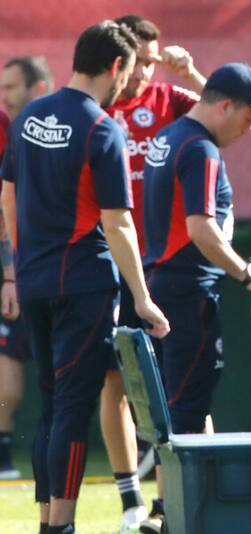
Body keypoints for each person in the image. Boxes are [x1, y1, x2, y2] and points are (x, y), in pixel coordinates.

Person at [0, 20, 170, 534]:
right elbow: (117, 222)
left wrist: (14, 268)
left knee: (53, 404)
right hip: (84, 284)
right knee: (73, 406)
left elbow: (6, 194)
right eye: (130, 70)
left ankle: (49, 521)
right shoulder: (102, 128)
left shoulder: (28, 116)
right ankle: (61, 527)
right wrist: (141, 296)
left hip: (33, 282)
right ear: (116, 67)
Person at [141, 62, 251, 534]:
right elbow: (201, 228)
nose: (250, 128)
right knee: (184, 408)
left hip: (163, 284)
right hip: (188, 290)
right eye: (249, 117)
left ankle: (191, 510)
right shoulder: (200, 149)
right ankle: (175, 516)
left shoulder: (169, 137)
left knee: (185, 403)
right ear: (227, 106)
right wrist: (250, 276)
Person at [104, 14, 206, 531]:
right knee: (113, 382)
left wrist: (192, 76)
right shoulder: (96, 106)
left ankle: (181, 501)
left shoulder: (172, 101)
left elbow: (228, 117)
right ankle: (131, 502)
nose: (146, 72)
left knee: (181, 383)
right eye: (138, 62)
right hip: (108, 263)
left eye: (152, 61)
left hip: (168, 263)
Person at [0, 56, 53, 482]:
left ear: (37, 88)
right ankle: (3, 455)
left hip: (60, 265)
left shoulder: (67, 127)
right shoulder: (5, 130)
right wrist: (9, 272)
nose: (4, 96)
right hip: (16, 269)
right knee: (9, 366)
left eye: (11, 87)